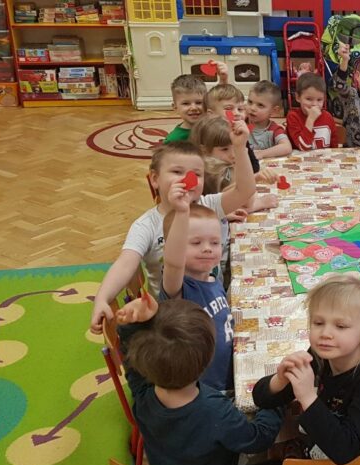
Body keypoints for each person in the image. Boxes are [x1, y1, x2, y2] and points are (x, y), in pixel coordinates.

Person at [117, 296, 282, 465]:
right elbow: (258, 439)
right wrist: (275, 398)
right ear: (208, 360)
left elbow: (130, 360)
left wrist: (132, 324)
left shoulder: (142, 396)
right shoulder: (215, 412)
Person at [89, 137, 256, 333]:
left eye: (197, 174)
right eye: (177, 172)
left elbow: (245, 190)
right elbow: (126, 264)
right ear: (155, 179)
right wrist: (102, 299)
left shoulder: (207, 205)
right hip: (171, 320)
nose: (187, 179)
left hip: (212, 300)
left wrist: (240, 147)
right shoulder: (146, 225)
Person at [252, 275, 360, 465]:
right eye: (318, 323)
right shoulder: (321, 356)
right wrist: (279, 381)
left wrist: (308, 398)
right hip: (317, 464)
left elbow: (344, 450)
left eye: (340, 326)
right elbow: (262, 400)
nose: (325, 333)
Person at [158, 187, 234, 391]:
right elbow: (174, 263)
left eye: (215, 242)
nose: (207, 248)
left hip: (228, 371)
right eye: (196, 242)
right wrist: (182, 212)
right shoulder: (179, 288)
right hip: (205, 388)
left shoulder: (213, 279)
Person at [205, 83, 262, 174]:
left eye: (240, 109)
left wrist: (242, 144)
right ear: (211, 114)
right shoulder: (208, 135)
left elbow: (254, 168)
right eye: (228, 109)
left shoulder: (239, 134)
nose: (237, 113)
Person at [286, 73, 338, 150]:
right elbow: (303, 147)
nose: (314, 104)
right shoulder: (293, 117)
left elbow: (334, 146)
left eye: (319, 100)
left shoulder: (328, 116)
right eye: (309, 99)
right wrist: (311, 119)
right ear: (298, 97)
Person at [247, 80, 293, 159]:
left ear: (273, 111)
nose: (252, 108)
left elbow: (287, 147)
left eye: (260, 105)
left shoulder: (274, 129)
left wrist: (261, 153)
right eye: (250, 102)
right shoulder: (241, 123)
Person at [163, 74, 207, 144]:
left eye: (199, 102)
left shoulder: (213, 126)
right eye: (186, 103)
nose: (193, 108)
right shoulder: (173, 140)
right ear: (175, 107)